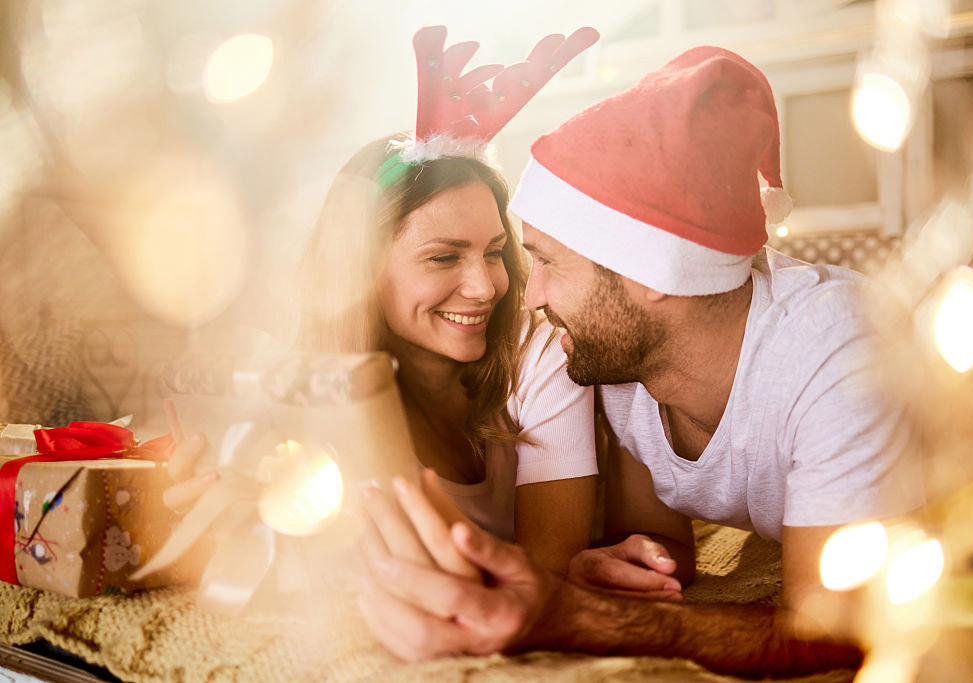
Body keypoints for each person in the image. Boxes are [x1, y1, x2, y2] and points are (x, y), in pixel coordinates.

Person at [356, 45, 926, 675]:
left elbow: (838, 629)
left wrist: (571, 613)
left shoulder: (840, 354)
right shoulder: (625, 363)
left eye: (546, 260)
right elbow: (665, 551)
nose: (526, 294)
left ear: (651, 272)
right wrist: (612, 568)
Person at [164, 25, 603, 575]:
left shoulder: (537, 352)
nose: (486, 287)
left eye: (494, 251)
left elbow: (545, 578)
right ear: (359, 271)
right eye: (444, 257)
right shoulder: (303, 389)